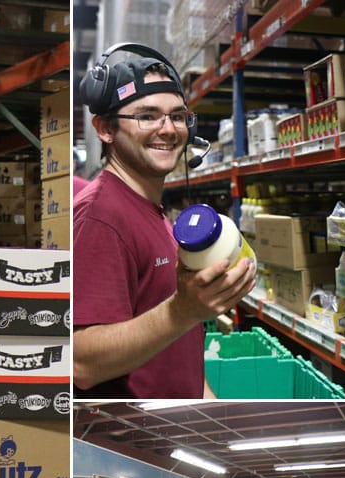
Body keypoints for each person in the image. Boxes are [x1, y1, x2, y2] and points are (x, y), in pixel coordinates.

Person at [73, 49, 256, 398]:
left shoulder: (151, 210)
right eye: (147, 116)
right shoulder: (100, 217)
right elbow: (81, 364)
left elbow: (174, 349)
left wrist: (206, 403)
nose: (168, 129)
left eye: (177, 116)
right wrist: (183, 310)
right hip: (130, 440)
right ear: (106, 129)